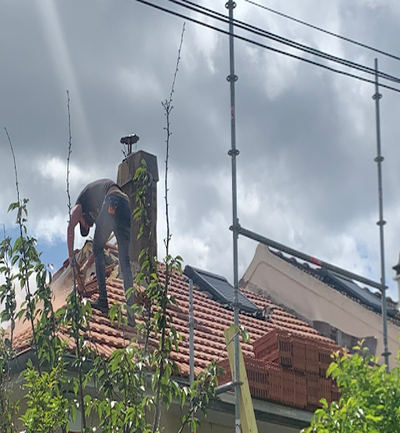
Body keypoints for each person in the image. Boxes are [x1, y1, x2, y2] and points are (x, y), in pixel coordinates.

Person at [67, 179, 135, 324]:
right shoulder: (98, 209)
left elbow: (70, 227)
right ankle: (131, 314)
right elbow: (100, 246)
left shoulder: (80, 205)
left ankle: (103, 300)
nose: (89, 226)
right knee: (125, 261)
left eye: (85, 225)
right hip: (125, 203)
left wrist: (71, 257)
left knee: (98, 247)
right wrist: (85, 267)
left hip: (113, 199)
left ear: (81, 218)